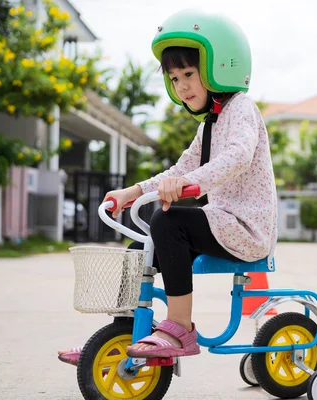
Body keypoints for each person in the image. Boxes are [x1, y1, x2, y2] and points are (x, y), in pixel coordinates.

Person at [58, 8, 277, 364]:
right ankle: (124, 333)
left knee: (168, 221)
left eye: (189, 74)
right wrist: (134, 191)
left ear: (220, 68)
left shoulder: (241, 109)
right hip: (219, 226)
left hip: (245, 230)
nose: (182, 86)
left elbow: (238, 156)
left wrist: (187, 183)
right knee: (139, 246)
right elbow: (181, 168)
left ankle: (178, 328)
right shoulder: (209, 125)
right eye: (174, 79)